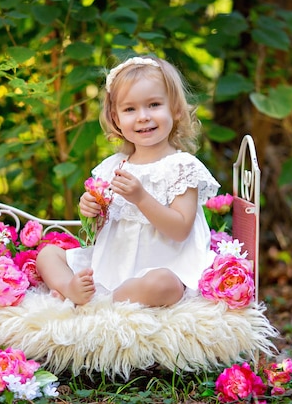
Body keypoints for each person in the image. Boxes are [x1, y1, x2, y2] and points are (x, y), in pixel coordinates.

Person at [36, 55, 220, 307]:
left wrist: (141, 198)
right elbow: (101, 230)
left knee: (164, 285)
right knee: (48, 254)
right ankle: (71, 288)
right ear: (116, 118)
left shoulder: (182, 167)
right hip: (113, 265)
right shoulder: (114, 166)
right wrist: (90, 211)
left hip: (163, 266)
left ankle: (101, 302)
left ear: (175, 108)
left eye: (154, 104)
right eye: (130, 109)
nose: (143, 116)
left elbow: (180, 230)